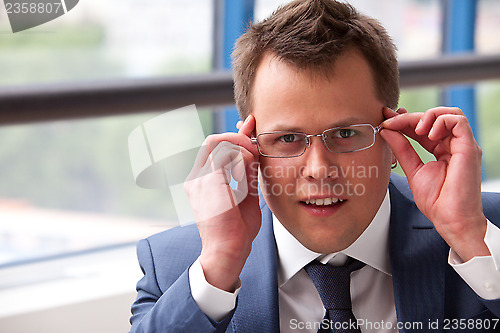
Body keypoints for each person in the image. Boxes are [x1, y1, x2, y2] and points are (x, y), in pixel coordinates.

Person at [129, 0, 500, 332]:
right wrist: (220, 266)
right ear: (247, 148)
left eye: (345, 133)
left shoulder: (484, 231)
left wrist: (470, 236)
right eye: (287, 139)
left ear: (394, 138)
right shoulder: (175, 266)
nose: (319, 169)